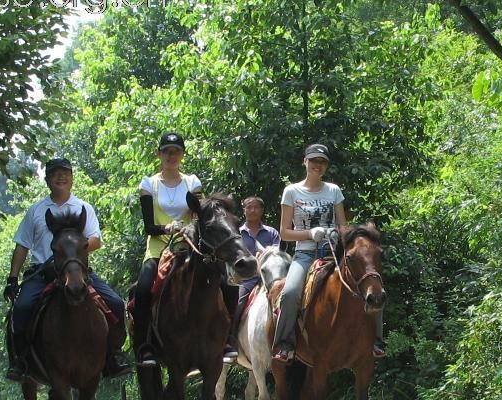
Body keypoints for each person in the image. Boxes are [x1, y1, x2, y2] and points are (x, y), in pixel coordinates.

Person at [3, 157, 131, 382]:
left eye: (65, 173)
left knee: (116, 303)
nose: (60, 177)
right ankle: (21, 360)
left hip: (77, 271)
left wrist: (71, 252)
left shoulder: (83, 208)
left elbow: (96, 240)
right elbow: (22, 245)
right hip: (42, 272)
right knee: (21, 309)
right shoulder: (36, 211)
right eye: (55, 174)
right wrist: (13, 278)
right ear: (47, 180)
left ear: (72, 179)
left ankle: (113, 355)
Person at [132, 131, 240, 367]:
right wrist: (168, 228)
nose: (171, 156)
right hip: (159, 247)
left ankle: (228, 339)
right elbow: (149, 226)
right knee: (142, 290)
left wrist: (189, 228)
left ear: (182, 155)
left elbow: (198, 216)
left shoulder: (193, 182)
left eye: (176, 151)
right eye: (167, 151)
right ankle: (145, 346)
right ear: (159, 154)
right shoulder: (148, 184)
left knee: (227, 281)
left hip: (191, 245)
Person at [271, 143, 385, 362]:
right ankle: (285, 343)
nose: (318, 165)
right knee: (290, 292)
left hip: (332, 252)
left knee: (372, 283)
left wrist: (336, 233)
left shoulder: (333, 190)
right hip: (304, 254)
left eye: (322, 162)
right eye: (313, 160)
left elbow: (343, 227)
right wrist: (308, 233)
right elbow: (284, 233)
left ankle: (376, 341)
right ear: (305, 161)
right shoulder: (291, 192)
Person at [227, 196, 281, 345]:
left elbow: (276, 255)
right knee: (238, 303)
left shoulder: (272, 233)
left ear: (262, 210)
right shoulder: (237, 233)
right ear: (244, 210)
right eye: (249, 207)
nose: (252, 210)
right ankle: (231, 339)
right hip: (246, 279)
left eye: (256, 207)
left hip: (270, 279)